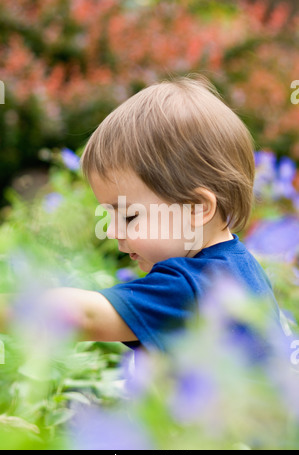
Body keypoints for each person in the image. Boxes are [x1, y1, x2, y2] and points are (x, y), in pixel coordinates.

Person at [2, 75, 281, 353]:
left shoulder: (189, 287)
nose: (111, 232)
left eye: (128, 217)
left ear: (198, 208)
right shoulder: (238, 266)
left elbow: (83, 315)